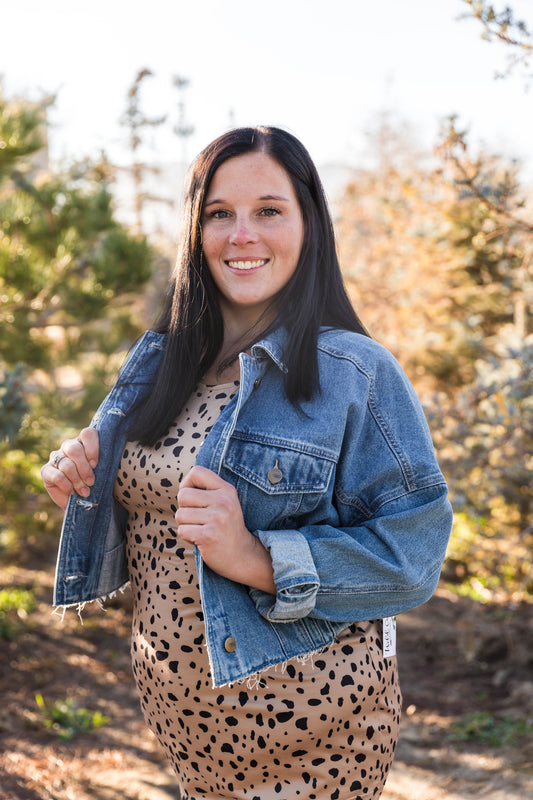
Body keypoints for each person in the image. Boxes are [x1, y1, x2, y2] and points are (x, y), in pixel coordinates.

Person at [42, 126, 453, 800]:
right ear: (194, 230)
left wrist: (257, 558)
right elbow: (156, 516)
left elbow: (413, 558)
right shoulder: (160, 363)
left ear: (308, 225)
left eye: (268, 210)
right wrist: (84, 483)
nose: (241, 235)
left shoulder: (353, 371)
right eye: (218, 213)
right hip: (184, 728)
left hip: (314, 737)